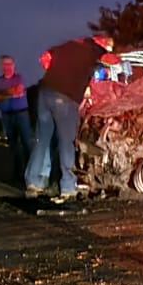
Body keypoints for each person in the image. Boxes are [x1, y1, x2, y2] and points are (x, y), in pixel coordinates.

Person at [26, 34, 119, 201]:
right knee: (66, 141)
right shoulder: (93, 49)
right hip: (65, 98)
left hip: (45, 93)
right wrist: (118, 59)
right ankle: (68, 186)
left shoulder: (68, 44)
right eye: (108, 46)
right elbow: (111, 59)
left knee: (42, 140)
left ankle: (35, 182)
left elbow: (44, 57)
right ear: (102, 42)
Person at [0, 54, 33, 179]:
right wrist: (9, 92)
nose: (7, 67)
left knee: (26, 143)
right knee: (13, 144)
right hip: (7, 116)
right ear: (1, 66)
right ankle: (18, 172)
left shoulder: (18, 78)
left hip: (21, 114)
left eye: (9, 64)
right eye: (4, 64)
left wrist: (2, 93)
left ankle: (31, 172)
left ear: (14, 66)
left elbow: (18, 89)